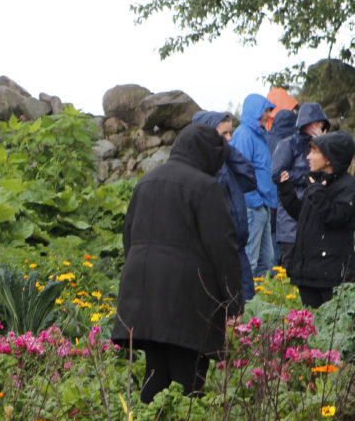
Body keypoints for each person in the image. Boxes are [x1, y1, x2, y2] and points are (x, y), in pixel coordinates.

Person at [112, 122, 244, 404]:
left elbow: (129, 237)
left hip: (145, 291)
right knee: (189, 378)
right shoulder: (206, 188)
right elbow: (223, 248)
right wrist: (234, 302)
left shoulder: (147, 181)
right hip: (188, 298)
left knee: (156, 370)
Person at [277, 131, 355, 309]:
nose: (308, 157)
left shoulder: (347, 186)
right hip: (307, 272)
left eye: (314, 152)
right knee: (310, 321)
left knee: (331, 322)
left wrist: (317, 192)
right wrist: (286, 191)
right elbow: (303, 215)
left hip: (331, 274)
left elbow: (335, 216)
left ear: (329, 158)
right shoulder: (317, 182)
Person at [192, 111, 258, 301]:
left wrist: (225, 149)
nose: (229, 138)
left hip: (238, 247)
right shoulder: (204, 166)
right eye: (224, 134)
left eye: (230, 133)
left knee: (247, 304)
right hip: (219, 252)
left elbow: (249, 177)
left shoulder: (226, 160)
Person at [271, 103, 330, 269]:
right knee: (291, 269)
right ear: (305, 122)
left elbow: (333, 171)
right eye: (315, 123)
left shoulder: (324, 145)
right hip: (291, 221)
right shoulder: (288, 144)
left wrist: (324, 144)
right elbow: (277, 174)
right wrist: (308, 176)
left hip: (317, 219)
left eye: (321, 123)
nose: (319, 126)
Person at [230, 93, 277, 280]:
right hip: (252, 207)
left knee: (267, 261)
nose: (268, 115)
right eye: (266, 111)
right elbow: (240, 171)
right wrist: (255, 201)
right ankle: (244, 297)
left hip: (263, 206)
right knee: (250, 259)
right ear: (256, 111)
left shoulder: (259, 135)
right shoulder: (244, 134)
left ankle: (260, 296)